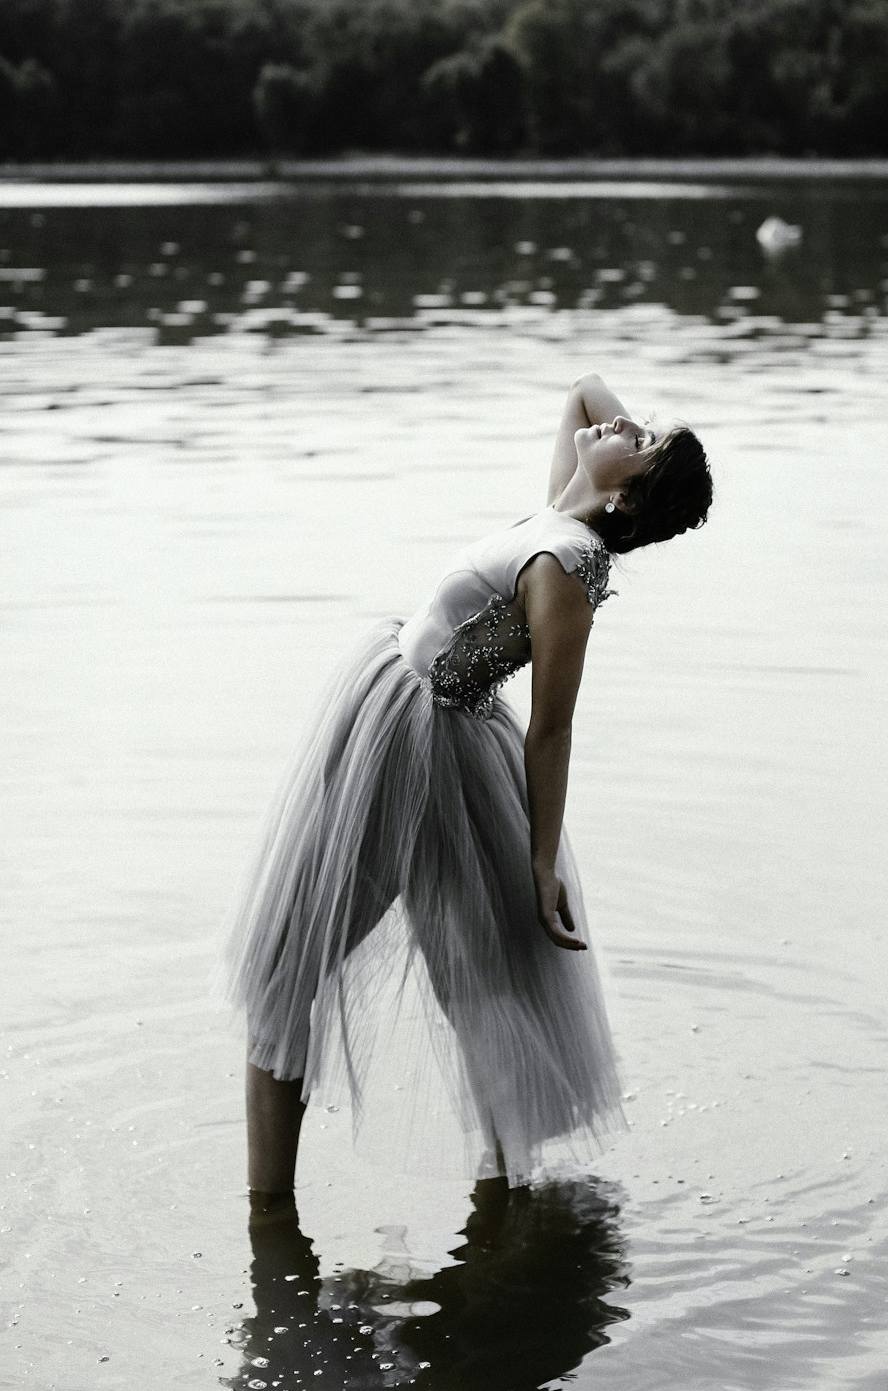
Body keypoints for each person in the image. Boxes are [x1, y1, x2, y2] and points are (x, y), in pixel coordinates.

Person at [222, 373, 712, 1196]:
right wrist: (630, 450)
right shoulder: (566, 507)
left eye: (644, 438)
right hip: (409, 717)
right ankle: (500, 1200)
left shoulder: (570, 564)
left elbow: (553, 728)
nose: (624, 421)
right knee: (460, 980)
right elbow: (585, 392)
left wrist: (543, 859)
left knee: (301, 973)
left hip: (418, 747)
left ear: (630, 499)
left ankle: (272, 1224)